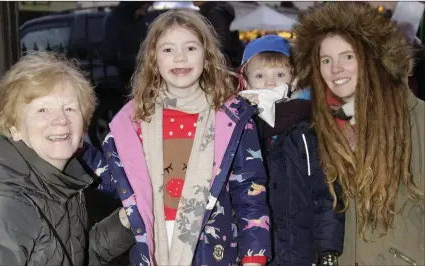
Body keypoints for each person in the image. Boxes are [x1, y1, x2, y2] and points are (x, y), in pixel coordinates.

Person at [82, 9, 271, 266]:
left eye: (190, 48)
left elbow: (250, 191)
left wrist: (254, 256)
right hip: (154, 250)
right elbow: (120, 181)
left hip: (214, 252)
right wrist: (77, 150)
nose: (179, 57)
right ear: (153, 60)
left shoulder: (232, 118)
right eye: (168, 50)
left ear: (206, 57)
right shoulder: (134, 122)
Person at [0, 52, 135, 266]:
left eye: (69, 108)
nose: (60, 120)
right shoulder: (6, 203)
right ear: (14, 127)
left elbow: (71, 257)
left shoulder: (59, 178)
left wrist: (124, 221)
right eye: (42, 110)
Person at [292, 2, 425, 265]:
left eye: (348, 56)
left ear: (371, 57)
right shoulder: (317, 127)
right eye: (326, 60)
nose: (336, 69)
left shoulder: (414, 117)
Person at [238, 35, 345, 266]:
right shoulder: (239, 127)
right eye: (259, 76)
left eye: (279, 75)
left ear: (293, 80)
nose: (269, 83)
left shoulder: (309, 128)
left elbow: (327, 192)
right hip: (254, 253)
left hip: (301, 251)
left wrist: (327, 249)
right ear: (245, 82)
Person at [193, 1, 244, 68]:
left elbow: (219, 41)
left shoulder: (214, 12)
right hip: (230, 59)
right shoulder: (214, 10)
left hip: (223, 62)